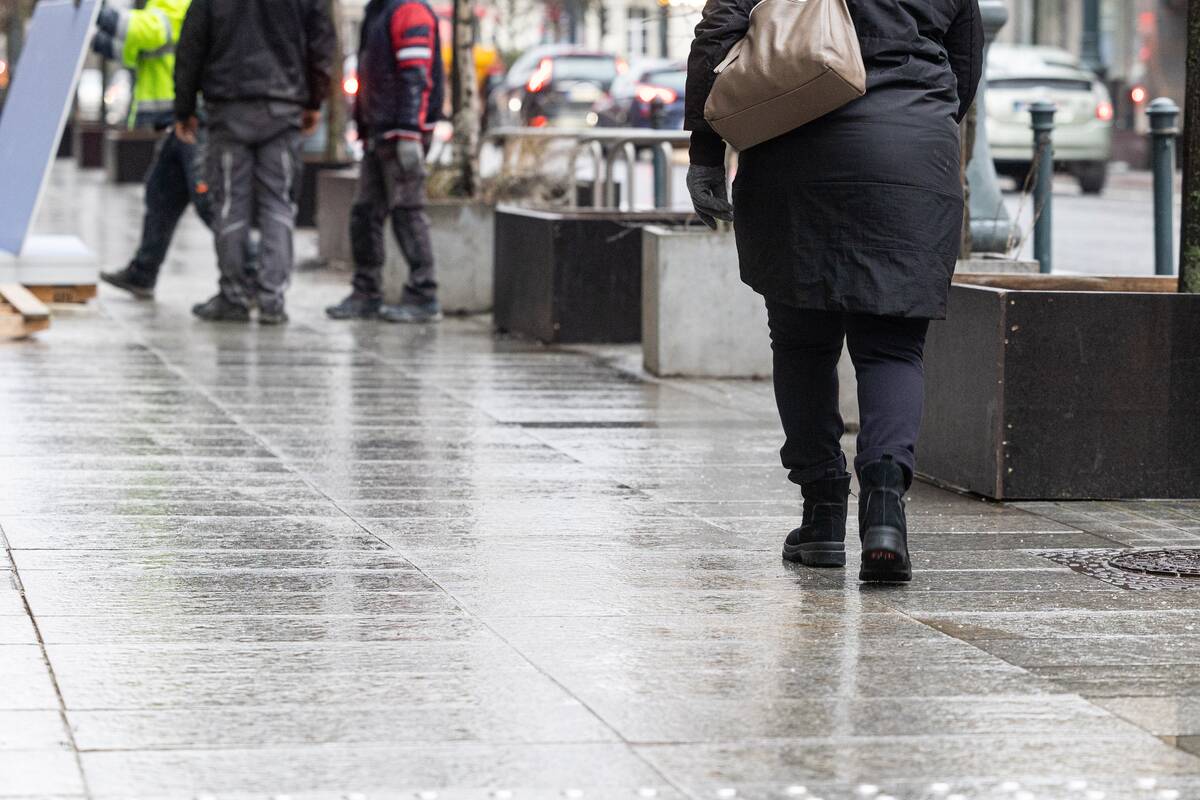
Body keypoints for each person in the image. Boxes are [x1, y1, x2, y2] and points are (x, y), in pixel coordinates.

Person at [685, 0, 983, 582]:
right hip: (911, 157)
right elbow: (965, 60)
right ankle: (885, 514)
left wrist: (705, 151)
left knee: (802, 343)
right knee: (892, 347)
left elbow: (718, 31)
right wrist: (920, 120)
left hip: (792, 149)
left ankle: (822, 516)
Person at [174, 0, 335, 324]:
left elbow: (191, 46)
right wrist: (314, 101)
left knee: (230, 203)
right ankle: (272, 300)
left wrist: (184, 107)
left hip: (228, 107)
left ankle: (233, 295)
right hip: (282, 106)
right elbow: (320, 43)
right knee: (278, 204)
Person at [325, 0, 445, 324]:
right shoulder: (381, 10)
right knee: (365, 213)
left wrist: (409, 132)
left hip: (398, 132)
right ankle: (367, 292)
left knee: (407, 211)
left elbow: (416, 76)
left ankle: (423, 294)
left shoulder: (407, 10)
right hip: (381, 131)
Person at [92, 0, 205, 299]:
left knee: (210, 202)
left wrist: (97, 12)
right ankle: (142, 273)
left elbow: (149, 31)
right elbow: (136, 50)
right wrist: (94, 39)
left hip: (193, 117)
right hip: (177, 119)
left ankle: (251, 273)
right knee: (161, 194)